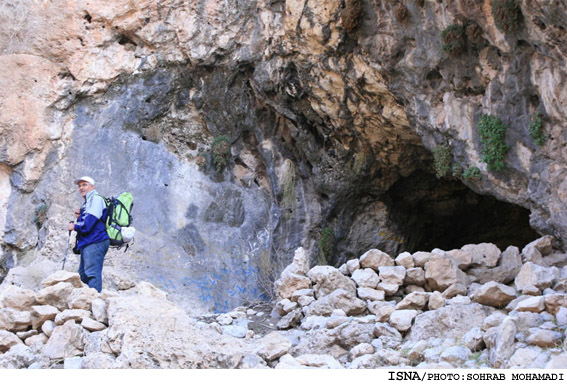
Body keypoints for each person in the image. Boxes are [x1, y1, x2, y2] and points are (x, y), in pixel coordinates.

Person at [68, 176, 110, 292]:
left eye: (84, 185)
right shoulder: (88, 202)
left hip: (95, 241)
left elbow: (89, 225)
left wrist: (74, 226)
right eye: (79, 186)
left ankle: (94, 302)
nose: (81, 188)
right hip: (89, 242)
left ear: (92, 186)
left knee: (92, 273)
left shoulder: (96, 199)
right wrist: (79, 217)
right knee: (83, 276)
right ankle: (85, 301)